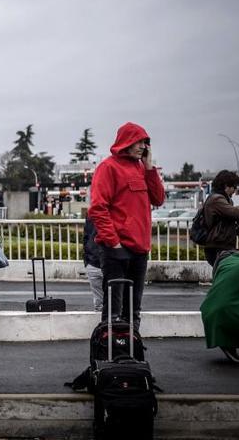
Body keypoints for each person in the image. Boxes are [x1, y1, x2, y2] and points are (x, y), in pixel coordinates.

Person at [88, 122, 165, 331]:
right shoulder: (108, 167)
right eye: (138, 141)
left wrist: (150, 168)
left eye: (145, 142)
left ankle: (131, 350)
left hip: (139, 249)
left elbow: (158, 199)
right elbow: (97, 208)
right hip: (116, 249)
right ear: (126, 142)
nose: (142, 146)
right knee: (114, 308)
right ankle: (111, 353)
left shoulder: (142, 168)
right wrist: (113, 243)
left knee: (134, 309)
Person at [201, 170, 239, 266]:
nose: (235, 190)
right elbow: (235, 213)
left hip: (222, 245)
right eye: (234, 187)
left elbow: (226, 221)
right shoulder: (217, 199)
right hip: (217, 246)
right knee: (223, 274)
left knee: (224, 273)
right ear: (226, 186)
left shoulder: (224, 199)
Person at [82, 216, 103, 312]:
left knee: (100, 305)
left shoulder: (91, 212)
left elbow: (86, 237)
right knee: (115, 303)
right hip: (96, 262)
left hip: (93, 261)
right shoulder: (115, 209)